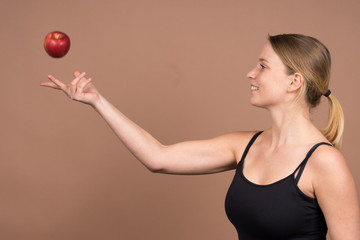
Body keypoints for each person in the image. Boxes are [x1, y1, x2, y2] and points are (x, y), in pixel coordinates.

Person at [41, 33, 360, 239]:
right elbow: (159, 157)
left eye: (263, 66)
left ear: (294, 82)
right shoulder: (244, 146)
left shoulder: (324, 163)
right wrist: (98, 101)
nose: (250, 73)